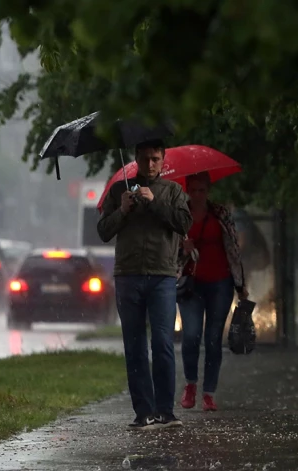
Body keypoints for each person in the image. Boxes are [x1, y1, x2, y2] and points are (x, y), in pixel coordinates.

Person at [97, 139, 193, 430]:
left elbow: (183, 224)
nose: (150, 164)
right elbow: (103, 232)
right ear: (136, 159)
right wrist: (122, 210)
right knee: (134, 345)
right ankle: (143, 412)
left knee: (163, 343)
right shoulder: (119, 190)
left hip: (162, 275)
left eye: (155, 159)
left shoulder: (174, 191)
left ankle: (165, 410)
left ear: (163, 160)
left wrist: (155, 203)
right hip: (128, 275)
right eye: (145, 158)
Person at [178, 171, 248, 411]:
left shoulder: (220, 214)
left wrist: (241, 284)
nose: (197, 195)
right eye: (193, 190)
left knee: (213, 339)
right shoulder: (179, 216)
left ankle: (209, 392)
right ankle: (190, 384)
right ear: (188, 190)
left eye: (202, 190)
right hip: (191, 284)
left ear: (208, 191)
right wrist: (183, 248)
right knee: (191, 335)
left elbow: (233, 249)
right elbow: (169, 252)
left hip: (220, 282)